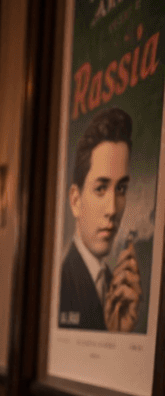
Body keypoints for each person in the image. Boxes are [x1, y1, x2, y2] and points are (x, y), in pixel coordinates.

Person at [58, 107, 141, 332]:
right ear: (75, 200)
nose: (113, 209)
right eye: (101, 188)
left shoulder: (114, 285)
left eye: (121, 188)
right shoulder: (61, 282)